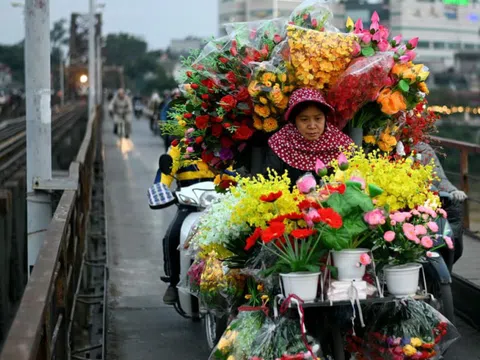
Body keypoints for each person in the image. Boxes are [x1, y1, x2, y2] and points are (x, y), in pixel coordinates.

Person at [157, 143, 216, 304]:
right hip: (188, 204)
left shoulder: (221, 144)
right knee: (172, 236)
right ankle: (173, 281)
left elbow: (235, 172)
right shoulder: (178, 148)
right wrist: (161, 189)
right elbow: (164, 177)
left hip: (219, 203)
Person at [265, 88, 354, 184]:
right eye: (304, 119)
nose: (312, 126)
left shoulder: (341, 144)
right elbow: (270, 184)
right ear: (294, 121)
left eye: (318, 118)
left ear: (325, 118)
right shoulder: (280, 143)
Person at [414, 141, 467, 266]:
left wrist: (453, 191)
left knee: (453, 235)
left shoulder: (421, 148)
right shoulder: (379, 145)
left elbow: (439, 177)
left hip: (426, 204)